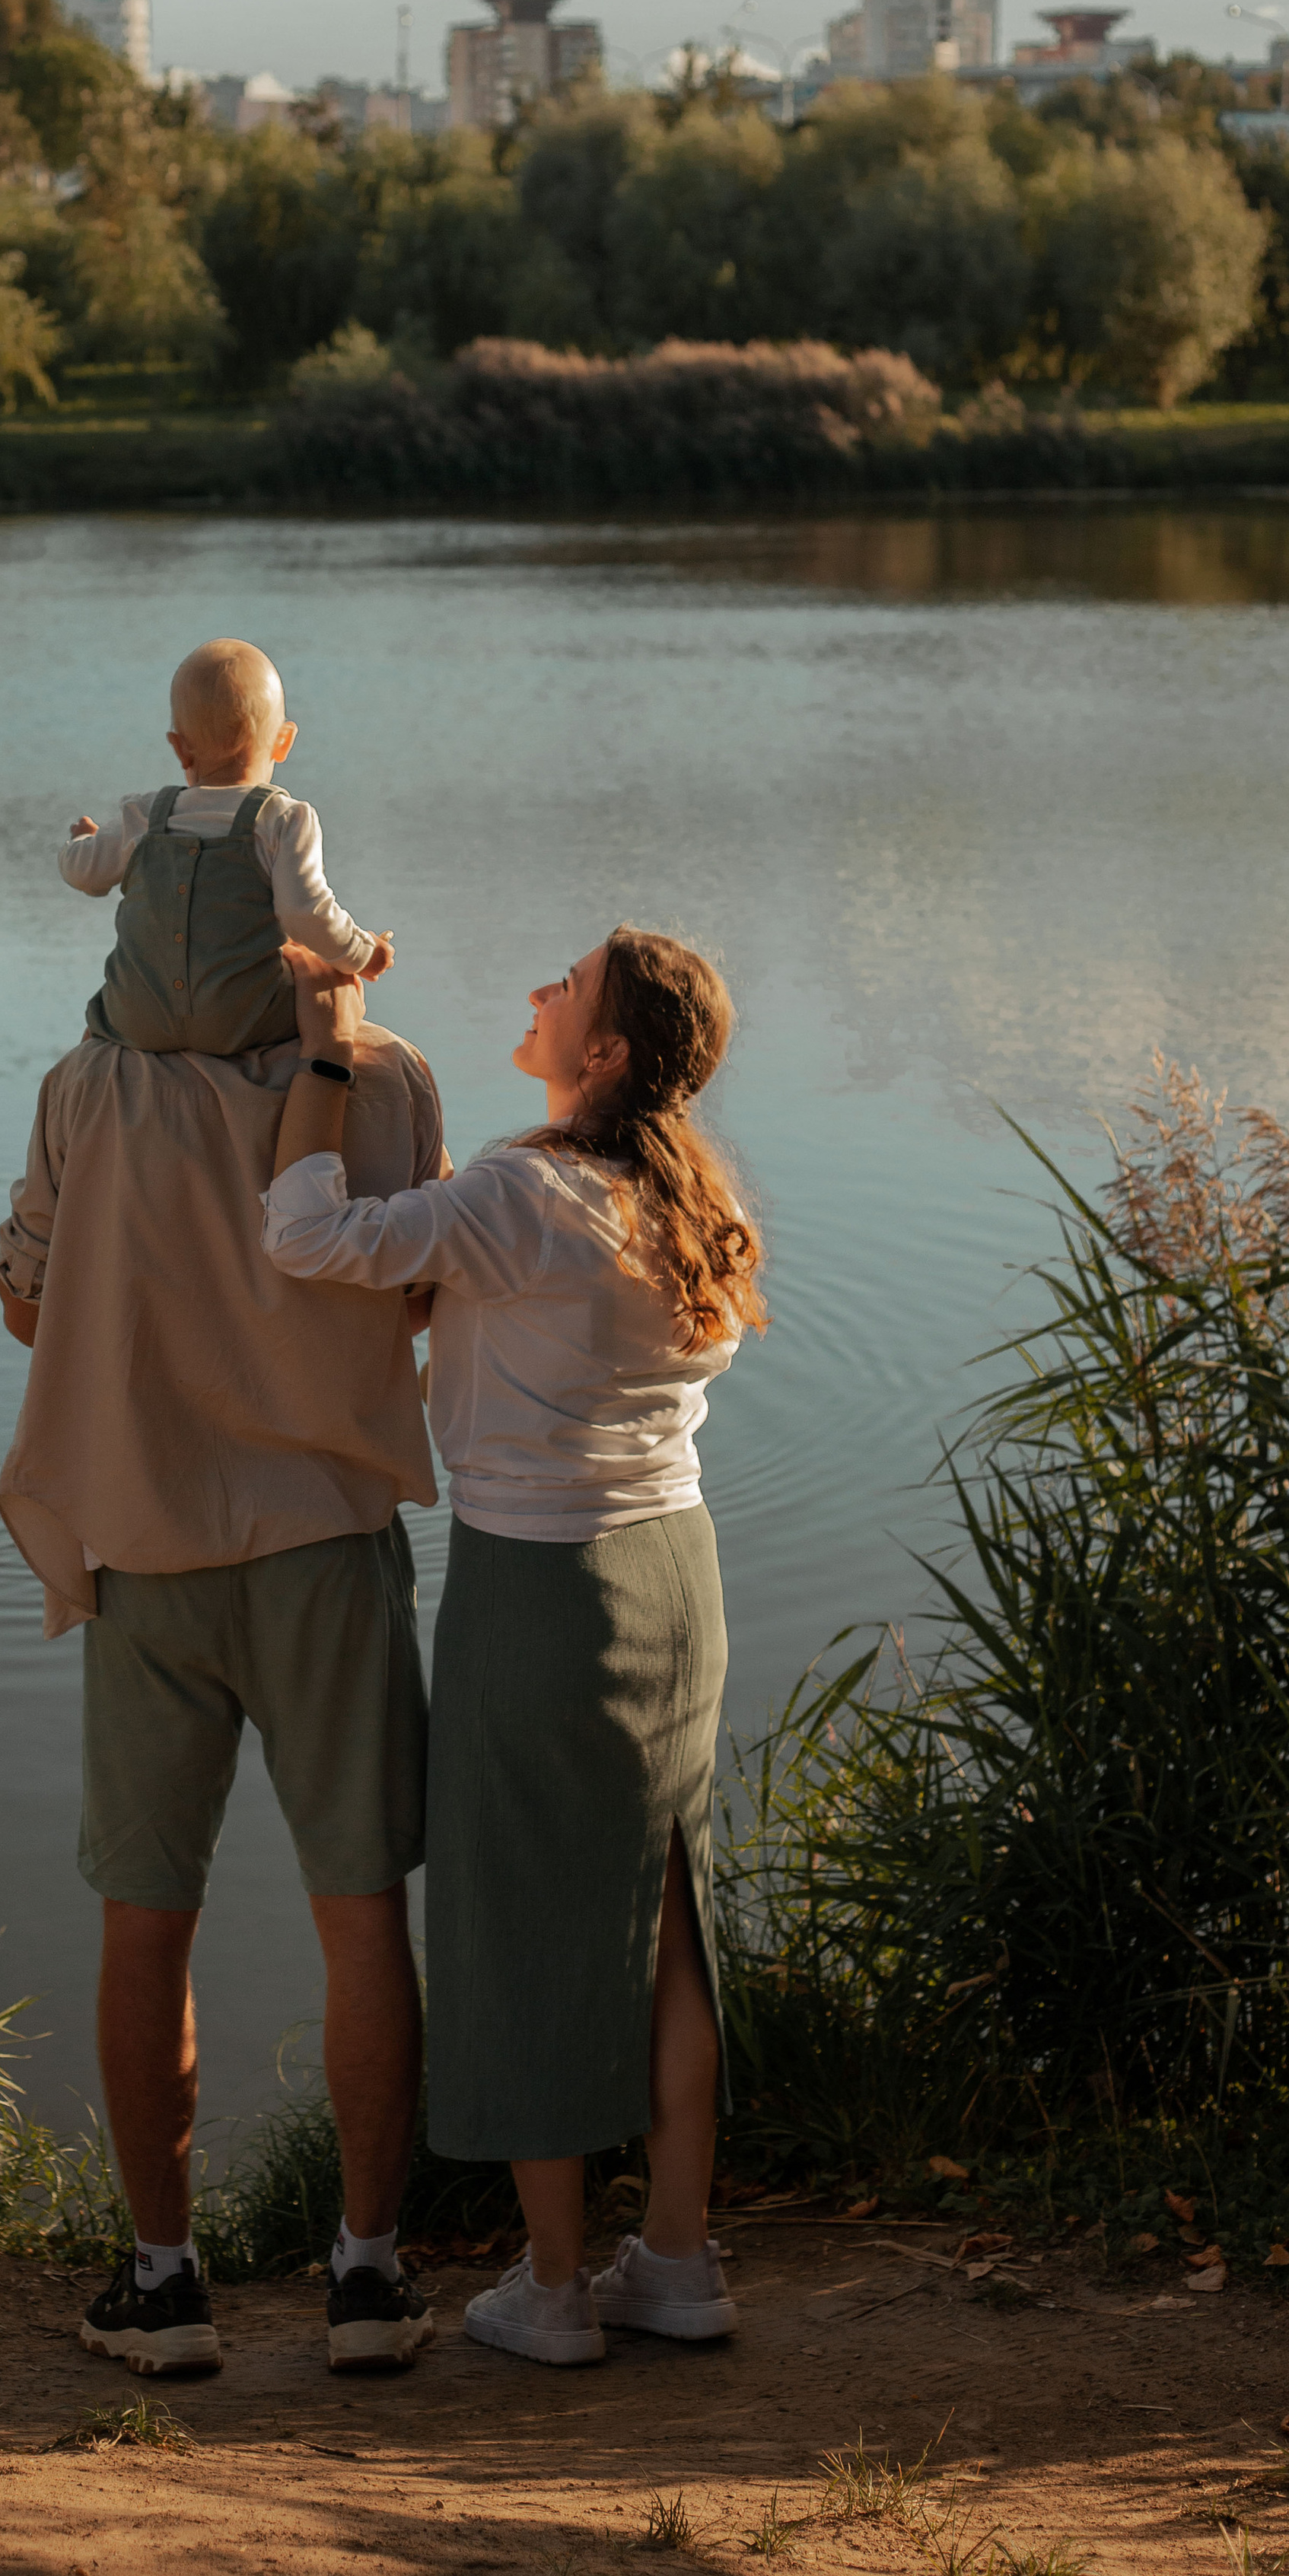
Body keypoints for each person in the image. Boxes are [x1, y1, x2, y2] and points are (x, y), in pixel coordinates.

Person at [261, 925, 766, 2368]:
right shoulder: (679, 1196)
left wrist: (325, 1048)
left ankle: (553, 2291)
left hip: (537, 1587)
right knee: (664, 1924)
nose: (539, 990)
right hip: (677, 1575)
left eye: (569, 988)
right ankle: (676, 2258)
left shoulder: (516, 1195)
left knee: (517, 1920)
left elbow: (306, 1239)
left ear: (601, 1053)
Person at [0, 992, 444, 2380]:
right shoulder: (388, 1074)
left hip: (149, 1543)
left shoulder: (87, 1084)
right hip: (328, 1542)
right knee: (362, 1913)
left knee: (148, 1918)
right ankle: (367, 2277)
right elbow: (421, 1292)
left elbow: (24, 1306)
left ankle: (164, 2284)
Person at [58, 637, 394, 1057]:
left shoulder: (141, 815)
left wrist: (83, 840)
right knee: (331, 982)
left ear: (180, 748)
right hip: (243, 1021)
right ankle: (324, 1081)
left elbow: (82, 873)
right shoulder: (284, 818)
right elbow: (304, 913)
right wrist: (363, 952)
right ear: (284, 741)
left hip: (136, 1019)